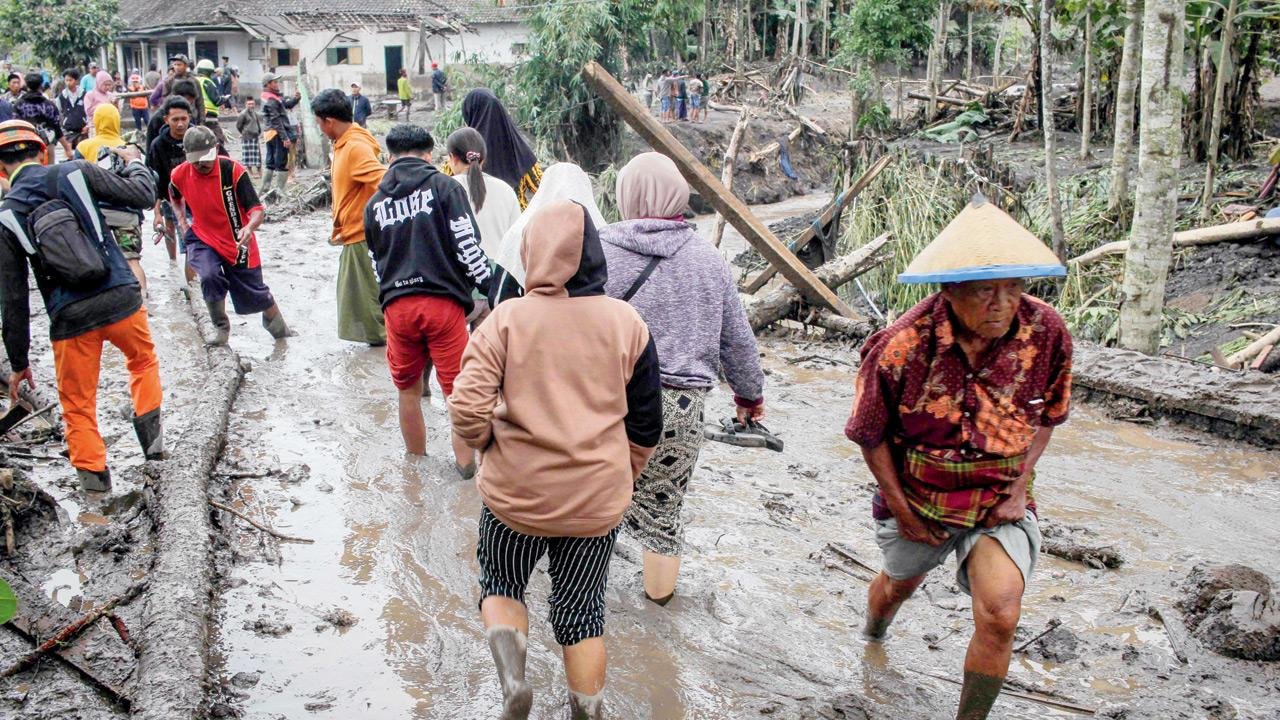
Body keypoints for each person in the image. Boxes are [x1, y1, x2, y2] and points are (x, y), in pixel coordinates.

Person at [845, 194, 1072, 720]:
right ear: (949, 291)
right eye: (985, 291)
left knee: (1000, 613)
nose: (1002, 304)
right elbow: (869, 435)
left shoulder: (1046, 332)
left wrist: (1019, 488)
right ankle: (873, 633)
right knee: (898, 585)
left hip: (998, 498)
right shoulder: (901, 346)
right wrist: (902, 510)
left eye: (1013, 288)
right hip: (920, 499)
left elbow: (1050, 413)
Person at [450, 198, 663, 720]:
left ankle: (513, 682)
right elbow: (646, 423)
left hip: (514, 499)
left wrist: (487, 447)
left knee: (501, 584)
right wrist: (621, 475)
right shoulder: (627, 323)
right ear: (594, 254)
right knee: (582, 615)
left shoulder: (505, 319)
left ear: (531, 252)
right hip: (594, 504)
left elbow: (466, 407)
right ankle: (586, 713)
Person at [599, 152, 765, 605]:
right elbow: (737, 340)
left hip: (608, 400)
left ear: (626, 195)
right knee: (663, 513)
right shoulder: (709, 260)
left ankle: (588, 603)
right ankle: (658, 612)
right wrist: (749, 397)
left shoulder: (600, 249)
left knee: (594, 497)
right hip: (680, 407)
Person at [0, 119, 162, 493]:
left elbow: (13, 299)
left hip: (69, 318)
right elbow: (142, 194)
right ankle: (154, 450)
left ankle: (96, 493)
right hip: (121, 298)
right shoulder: (76, 171)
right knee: (142, 362)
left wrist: (19, 363)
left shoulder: (6, 215)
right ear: (43, 152)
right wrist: (134, 161)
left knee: (77, 404)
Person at [363, 123, 490, 466]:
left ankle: (416, 468)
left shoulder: (374, 204)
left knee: (408, 391)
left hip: (397, 308)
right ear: (430, 155)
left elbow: (376, 264)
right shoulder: (445, 188)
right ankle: (466, 469)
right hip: (442, 306)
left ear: (389, 157)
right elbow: (467, 246)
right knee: (455, 391)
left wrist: (391, 299)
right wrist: (488, 286)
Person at [168, 125, 293, 345]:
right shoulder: (179, 174)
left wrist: (249, 227)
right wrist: (181, 221)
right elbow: (175, 197)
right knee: (209, 276)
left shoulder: (232, 170)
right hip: (203, 236)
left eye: (206, 159)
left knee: (256, 294)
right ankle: (221, 327)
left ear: (216, 149)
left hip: (237, 239)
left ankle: (282, 333)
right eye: (196, 160)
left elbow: (257, 209)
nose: (201, 164)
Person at [312, 88, 386, 345]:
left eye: (319, 123)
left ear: (329, 121)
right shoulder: (346, 141)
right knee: (362, 301)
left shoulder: (355, 147)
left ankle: (388, 348)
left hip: (361, 235)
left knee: (369, 303)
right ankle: (384, 345)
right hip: (353, 234)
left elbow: (384, 180)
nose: (320, 128)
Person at [489, 163, 605, 305]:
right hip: (589, 316)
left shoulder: (520, 231)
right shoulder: (602, 234)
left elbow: (499, 299)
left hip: (531, 315)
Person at [76, 104, 149, 294]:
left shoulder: (84, 147)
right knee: (132, 260)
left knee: (99, 261)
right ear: (117, 121)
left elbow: (76, 181)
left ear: (97, 121)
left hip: (97, 215)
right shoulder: (129, 147)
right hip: (127, 213)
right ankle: (142, 301)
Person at [458, 89, 542, 209]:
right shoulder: (521, 152)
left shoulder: (459, 156)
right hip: (517, 219)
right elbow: (544, 189)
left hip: (475, 220)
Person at [147, 97, 194, 270]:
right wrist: (156, 212)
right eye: (175, 120)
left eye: (183, 119)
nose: (180, 124)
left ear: (189, 117)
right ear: (166, 119)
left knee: (194, 243)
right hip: (170, 196)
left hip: (197, 195)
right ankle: (173, 262)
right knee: (172, 226)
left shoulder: (197, 138)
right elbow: (155, 179)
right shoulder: (158, 145)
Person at [259, 72, 299, 197]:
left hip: (269, 132)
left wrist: (296, 99)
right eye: (275, 82)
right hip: (277, 133)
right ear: (268, 84)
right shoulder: (272, 99)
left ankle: (264, 190)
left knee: (270, 162)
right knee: (282, 162)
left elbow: (287, 104)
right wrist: (285, 137)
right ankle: (281, 191)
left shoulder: (268, 96)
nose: (277, 84)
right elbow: (276, 120)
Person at [13, 74, 61, 162]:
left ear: (26, 86)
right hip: (47, 144)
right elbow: (56, 126)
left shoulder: (18, 105)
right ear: (41, 86)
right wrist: (67, 147)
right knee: (49, 169)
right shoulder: (49, 105)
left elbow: (15, 125)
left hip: (26, 145)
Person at [57, 69, 88, 161]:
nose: (68, 82)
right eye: (66, 80)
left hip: (82, 128)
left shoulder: (84, 95)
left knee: (83, 154)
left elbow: (88, 111)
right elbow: (58, 112)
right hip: (68, 128)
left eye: (70, 80)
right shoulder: (61, 97)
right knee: (68, 154)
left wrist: (87, 125)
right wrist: (62, 125)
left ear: (76, 81)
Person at [235, 97, 264, 177]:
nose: (251, 105)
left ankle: (259, 171)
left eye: (252, 104)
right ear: (246, 105)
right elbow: (238, 126)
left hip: (255, 136)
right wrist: (244, 132)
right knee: (248, 156)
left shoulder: (255, 113)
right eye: (249, 104)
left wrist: (259, 131)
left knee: (257, 156)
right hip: (247, 137)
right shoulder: (243, 114)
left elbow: (257, 123)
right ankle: (250, 172)